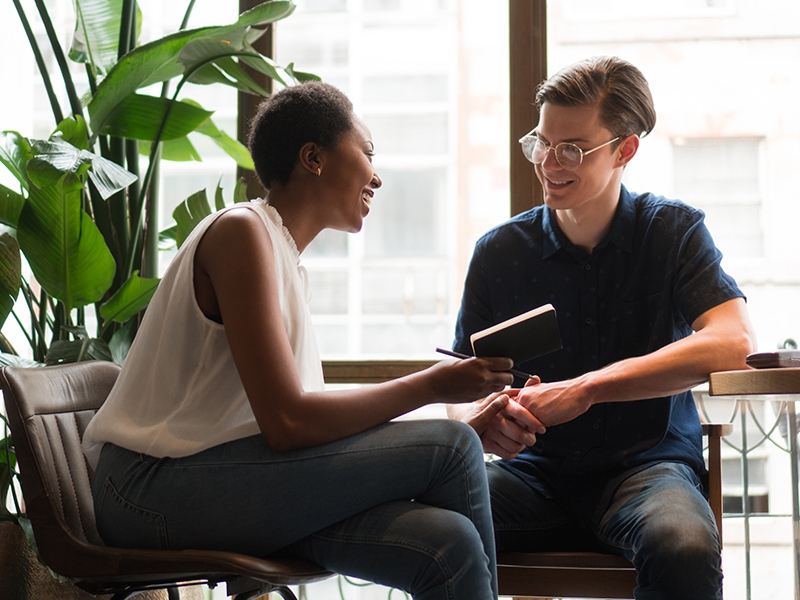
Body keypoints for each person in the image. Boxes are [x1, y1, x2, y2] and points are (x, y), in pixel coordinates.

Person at [81, 81, 517, 600]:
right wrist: (433, 386)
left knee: (449, 543)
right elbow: (288, 423)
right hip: (148, 491)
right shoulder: (242, 232)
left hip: (221, 481)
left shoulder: (281, 257)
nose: (377, 175)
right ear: (313, 157)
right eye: (367, 152)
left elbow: (299, 428)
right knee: (453, 446)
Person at [447, 56, 757, 600]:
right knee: (432, 522)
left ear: (625, 150)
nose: (548, 162)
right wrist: (486, 420)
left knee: (682, 545)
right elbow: (459, 388)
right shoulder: (499, 253)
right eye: (541, 143)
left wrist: (587, 389)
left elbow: (733, 342)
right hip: (531, 478)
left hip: (649, 471)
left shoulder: (674, 233)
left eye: (572, 149)